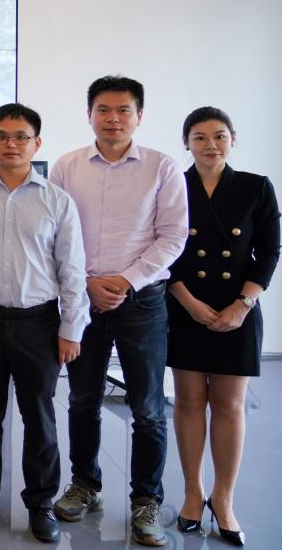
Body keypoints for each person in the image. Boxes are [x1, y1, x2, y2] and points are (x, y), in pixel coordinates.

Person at [49, 76, 187, 547]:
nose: (113, 118)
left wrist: (126, 280)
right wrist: (87, 283)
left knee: (147, 407)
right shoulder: (67, 166)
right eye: (103, 110)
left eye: (123, 110)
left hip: (142, 300)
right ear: (89, 114)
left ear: (139, 115)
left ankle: (146, 500)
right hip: (83, 297)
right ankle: (84, 484)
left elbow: (173, 235)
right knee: (82, 399)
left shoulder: (162, 167)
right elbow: (55, 233)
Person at [0, 104, 89, 544]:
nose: (11, 144)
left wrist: (71, 328)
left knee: (40, 418)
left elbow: (72, 269)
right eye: (2, 136)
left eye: (21, 136)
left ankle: (40, 504)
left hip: (38, 324)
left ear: (36, 143)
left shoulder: (57, 201)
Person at [165, 107, 278, 547]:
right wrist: (188, 302)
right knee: (189, 402)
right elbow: (162, 247)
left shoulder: (255, 186)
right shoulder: (173, 185)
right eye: (199, 137)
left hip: (239, 310)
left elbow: (269, 250)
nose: (210, 144)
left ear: (233, 138)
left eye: (219, 136)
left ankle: (224, 498)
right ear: (186, 142)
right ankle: (193, 494)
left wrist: (243, 304)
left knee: (230, 406)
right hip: (185, 306)